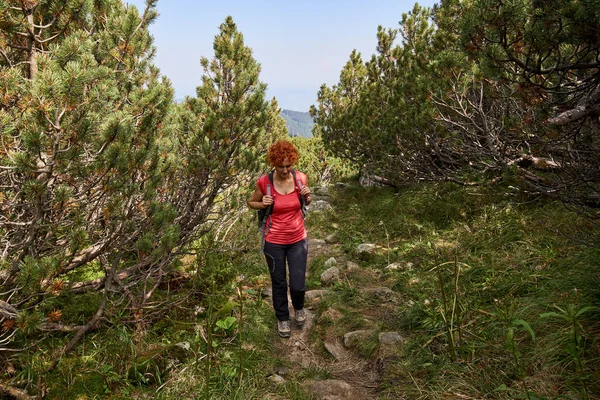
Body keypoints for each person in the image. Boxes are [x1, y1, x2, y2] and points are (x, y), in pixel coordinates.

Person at [247, 140, 312, 338]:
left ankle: (299, 307)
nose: (285, 170)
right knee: (279, 282)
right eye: (280, 166)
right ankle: (283, 318)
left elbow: (304, 202)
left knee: (298, 283)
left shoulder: (301, 178)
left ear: (293, 163)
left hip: (297, 239)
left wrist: (308, 197)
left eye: (288, 166)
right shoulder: (264, 182)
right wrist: (261, 203)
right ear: (274, 164)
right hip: (273, 241)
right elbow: (251, 202)